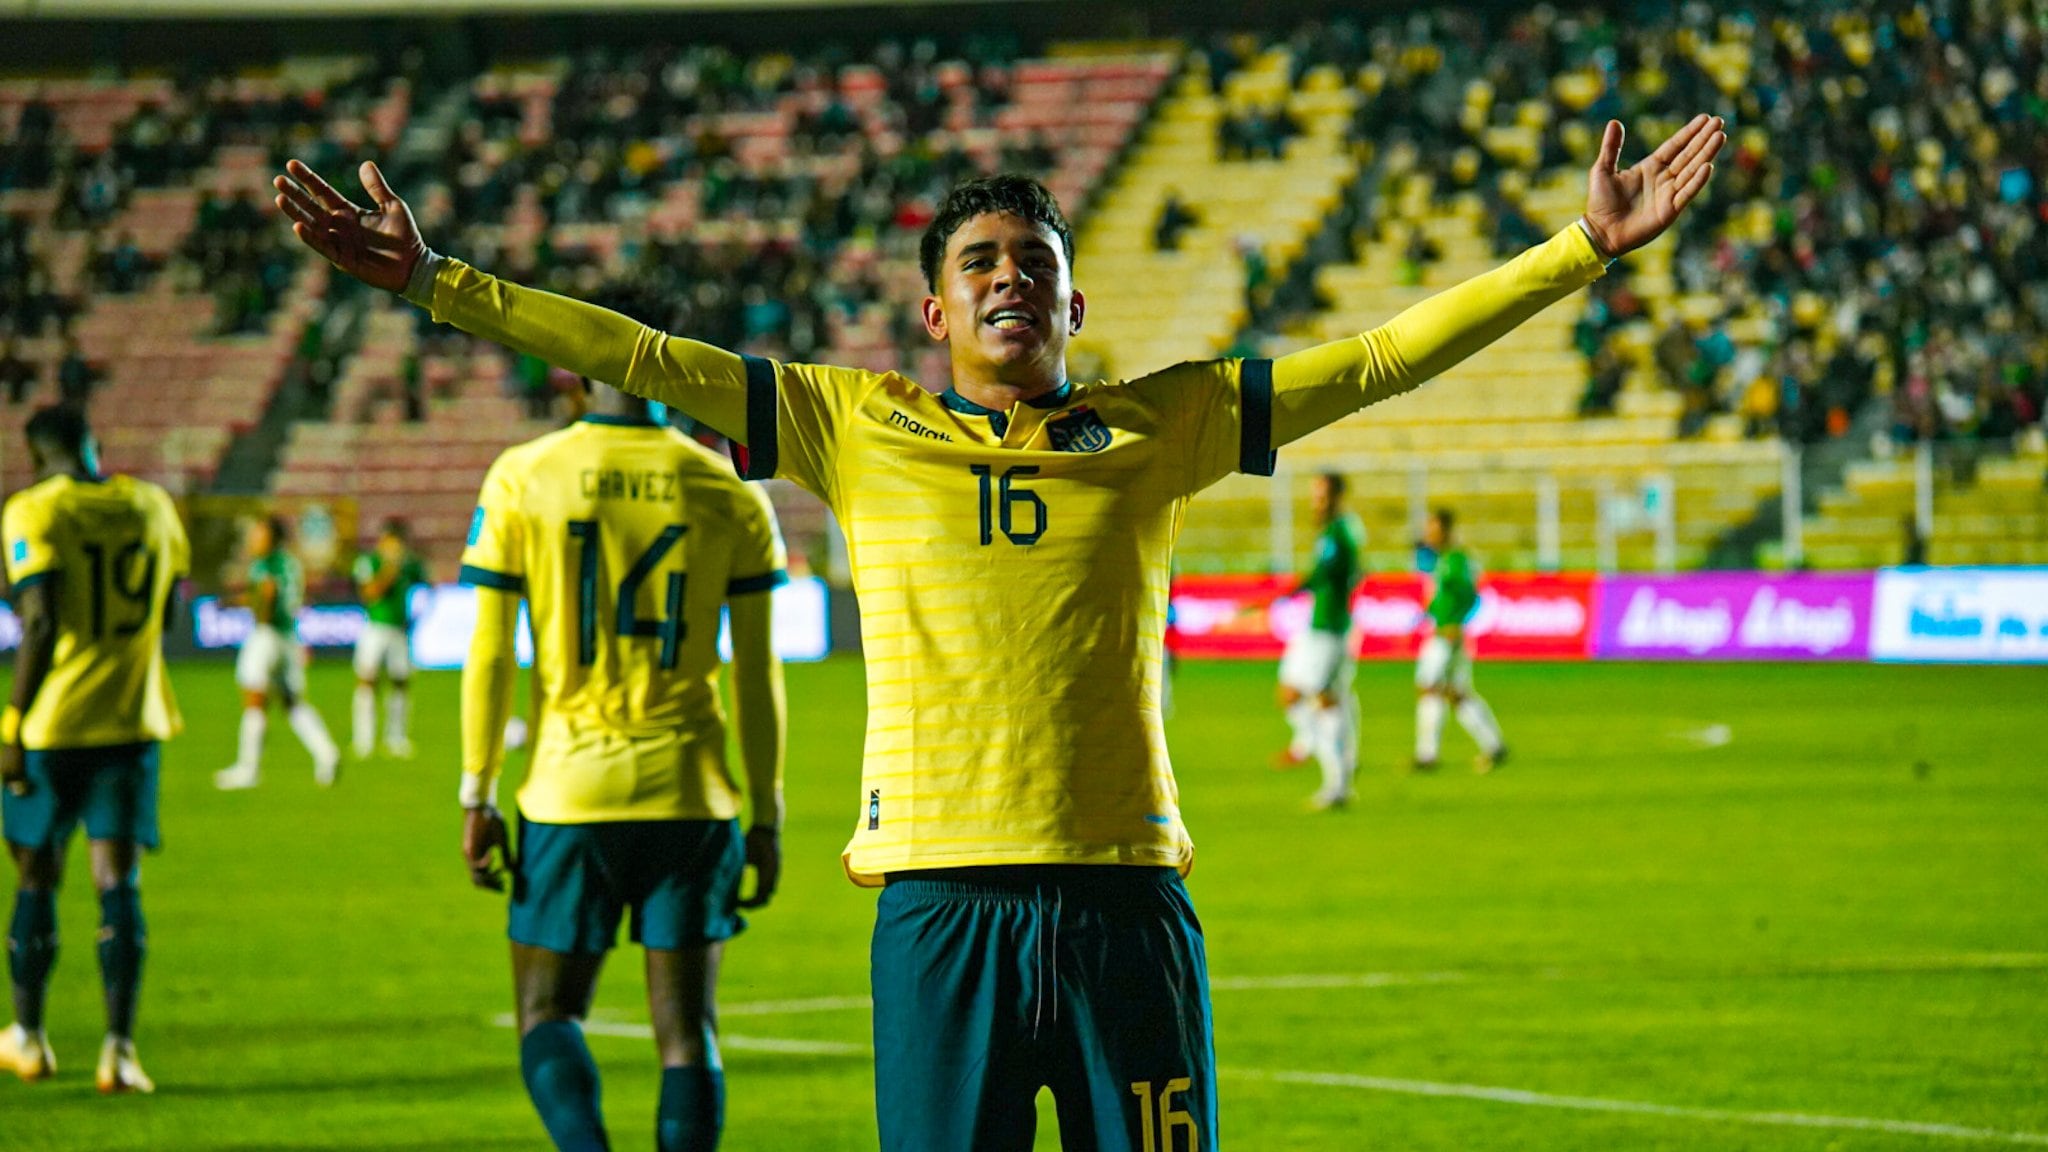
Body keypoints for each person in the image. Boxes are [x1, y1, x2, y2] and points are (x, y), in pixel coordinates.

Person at [276, 111, 1722, 1151]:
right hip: (940, 910)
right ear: (931, 309)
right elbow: (638, 354)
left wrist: (1582, 249)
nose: (1007, 277)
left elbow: (1384, 357)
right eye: (978, 262)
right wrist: (432, 282)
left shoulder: (1168, 421)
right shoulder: (847, 425)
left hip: (1123, 902)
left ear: (1076, 297)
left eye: (1030, 258)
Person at [453, 375, 789, 1152]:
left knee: (546, 1013)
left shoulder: (525, 474)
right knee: (687, 1034)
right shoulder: (727, 489)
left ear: (575, 368)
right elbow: (757, 674)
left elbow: (492, 651)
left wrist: (478, 791)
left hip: (569, 796)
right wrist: (766, 818)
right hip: (691, 795)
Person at [0, 406, 187, 1092]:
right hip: (134, 722)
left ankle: (29, 1038)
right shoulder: (153, 504)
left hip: (52, 729)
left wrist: (12, 721)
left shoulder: (32, 511)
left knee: (35, 876)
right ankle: (120, 1051)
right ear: (94, 447)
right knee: (118, 882)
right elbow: (168, 613)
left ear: (33, 453)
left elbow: (39, 617)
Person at [213, 515, 340, 790]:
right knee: (292, 703)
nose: (253, 539)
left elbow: (266, 596)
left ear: (272, 538)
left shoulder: (265, 564)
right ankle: (327, 752)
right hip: (288, 637)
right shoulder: (290, 563)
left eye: (258, 534)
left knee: (254, 699)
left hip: (266, 635)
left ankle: (249, 769)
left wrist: (249, 607)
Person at [1272, 472, 1364, 810]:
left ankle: (1339, 785)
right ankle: (1315, 747)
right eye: (1314, 494)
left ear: (1337, 496)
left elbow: (1323, 574)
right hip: (1319, 624)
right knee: (1291, 693)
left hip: (1330, 626)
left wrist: (1284, 593)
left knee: (1327, 699)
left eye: (1322, 495)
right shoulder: (1339, 531)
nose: (1316, 502)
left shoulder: (1339, 532)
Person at [1411, 508, 1507, 774]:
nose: (1428, 533)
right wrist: (1426, 615)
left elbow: (1470, 594)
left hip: (1448, 635)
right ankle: (1495, 746)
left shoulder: (1455, 559)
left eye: (1432, 527)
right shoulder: (1443, 560)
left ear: (1445, 529)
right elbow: (1444, 596)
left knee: (1430, 687)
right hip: (1443, 632)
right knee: (1455, 693)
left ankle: (1427, 754)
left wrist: (1456, 622)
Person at [349, 518, 428, 760]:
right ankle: (364, 739)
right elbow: (369, 593)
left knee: (400, 682)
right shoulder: (370, 561)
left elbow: (426, 586)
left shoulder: (410, 564)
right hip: (375, 628)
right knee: (367, 680)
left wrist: (416, 617)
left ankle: (396, 737)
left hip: (399, 630)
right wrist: (389, 570)